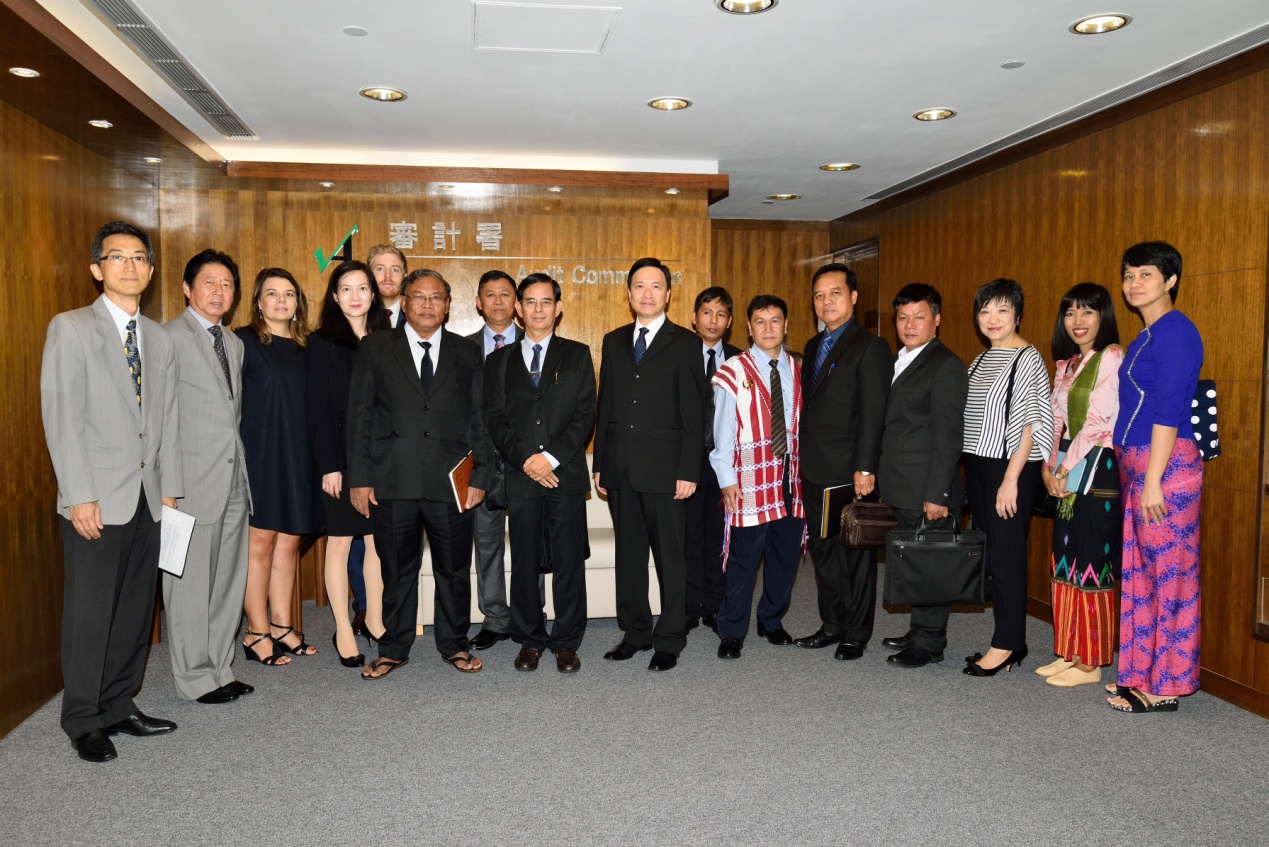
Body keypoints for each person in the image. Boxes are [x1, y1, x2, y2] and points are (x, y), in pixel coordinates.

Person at [41, 221, 182, 762]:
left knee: (133, 610)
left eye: (139, 258)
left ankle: (120, 703)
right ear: (97, 268)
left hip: (149, 496)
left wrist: (171, 489)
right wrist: (79, 493)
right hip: (95, 498)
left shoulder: (159, 337)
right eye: (117, 257)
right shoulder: (71, 328)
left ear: (149, 270)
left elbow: (165, 420)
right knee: (90, 610)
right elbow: (62, 416)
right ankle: (82, 718)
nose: (130, 266)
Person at [349, 269, 490, 678]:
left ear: (448, 305)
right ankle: (393, 647)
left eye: (437, 298)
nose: (428, 305)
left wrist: (479, 477)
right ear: (404, 303)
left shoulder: (467, 352)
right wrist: (360, 477)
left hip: (451, 480)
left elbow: (480, 418)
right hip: (393, 478)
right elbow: (359, 417)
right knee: (397, 568)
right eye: (419, 297)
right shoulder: (375, 348)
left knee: (453, 569)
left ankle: (454, 644)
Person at [594, 257, 708, 672]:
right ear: (628, 294)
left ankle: (670, 637)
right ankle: (636, 632)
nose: (647, 293)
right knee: (629, 556)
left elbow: (696, 413)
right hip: (620, 468)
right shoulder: (613, 340)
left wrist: (689, 470)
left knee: (670, 558)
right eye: (639, 286)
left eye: (655, 286)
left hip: (666, 470)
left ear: (668, 294)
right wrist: (601, 464)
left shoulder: (685, 343)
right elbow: (606, 403)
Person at [1108, 242, 1204, 713]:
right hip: (1141, 468)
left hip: (1166, 471)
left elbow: (1169, 410)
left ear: (1170, 280)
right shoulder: (1145, 336)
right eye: (1128, 275)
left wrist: (1153, 480)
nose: (1134, 284)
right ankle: (1141, 672)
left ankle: (1167, 685)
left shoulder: (1176, 332)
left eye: (1146, 274)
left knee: (1171, 579)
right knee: (1142, 576)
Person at [484, 273, 596, 672]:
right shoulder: (498, 362)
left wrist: (549, 458)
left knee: (568, 561)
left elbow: (585, 415)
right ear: (518, 309)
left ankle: (567, 642)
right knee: (526, 562)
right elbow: (495, 418)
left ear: (558, 307)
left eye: (546, 302)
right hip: (520, 476)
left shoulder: (578, 354)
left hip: (563, 474)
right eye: (529, 302)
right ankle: (529, 639)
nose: (537, 309)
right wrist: (527, 460)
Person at [165, 249, 258, 703]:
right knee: (187, 586)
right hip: (187, 486)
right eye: (209, 282)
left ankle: (219, 667)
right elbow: (159, 419)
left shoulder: (233, 343)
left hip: (233, 480)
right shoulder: (167, 338)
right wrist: (167, 487)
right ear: (187, 288)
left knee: (226, 581)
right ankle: (193, 678)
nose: (219, 292)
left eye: (227, 284)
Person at [794, 263, 891, 660]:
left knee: (855, 553)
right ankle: (831, 623)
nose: (826, 301)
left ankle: (856, 631)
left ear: (853, 297)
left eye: (834, 293)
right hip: (815, 468)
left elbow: (874, 412)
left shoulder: (871, 346)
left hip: (851, 472)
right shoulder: (815, 346)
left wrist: (866, 468)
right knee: (824, 552)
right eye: (819, 295)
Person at [962, 278, 1054, 676]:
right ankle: (1010, 638)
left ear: (1017, 313)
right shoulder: (981, 360)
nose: (992, 319)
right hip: (980, 465)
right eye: (985, 311)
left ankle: (1006, 645)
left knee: (1007, 555)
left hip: (1010, 466)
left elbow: (1030, 424)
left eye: (1002, 310)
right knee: (994, 553)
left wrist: (1011, 480)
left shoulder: (1027, 357)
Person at [876, 284, 969, 668]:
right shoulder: (901, 360)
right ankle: (918, 630)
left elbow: (948, 436)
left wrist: (938, 494)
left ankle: (930, 643)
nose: (909, 325)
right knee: (916, 560)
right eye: (902, 317)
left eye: (919, 317)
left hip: (928, 487)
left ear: (937, 320)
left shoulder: (945, 364)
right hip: (903, 482)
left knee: (931, 565)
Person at [236, 268, 323, 669]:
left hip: (299, 457)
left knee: (289, 544)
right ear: (258, 301)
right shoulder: (243, 343)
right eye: (272, 293)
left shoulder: (310, 347)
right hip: (260, 456)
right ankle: (256, 632)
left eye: (289, 293)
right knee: (260, 545)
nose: (281, 300)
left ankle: (283, 625)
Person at [1037, 283, 1123, 688]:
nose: (1078, 321)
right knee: (1066, 560)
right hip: (1067, 465)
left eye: (1088, 312)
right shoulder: (1068, 363)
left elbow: (1098, 422)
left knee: (1092, 562)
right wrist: (1047, 465)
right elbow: (1055, 420)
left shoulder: (1111, 357)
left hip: (1096, 468)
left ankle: (1092, 663)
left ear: (1103, 316)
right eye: (1070, 312)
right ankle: (1070, 649)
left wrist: (1064, 468)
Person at [710, 295, 804, 660]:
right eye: (760, 321)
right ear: (748, 327)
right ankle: (732, 630)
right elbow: (722, 432)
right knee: (743, 558)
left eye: (775, 320)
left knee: (784, 556)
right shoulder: (734, 371)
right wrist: (726, 479)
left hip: (791, 477)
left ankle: (771, 620)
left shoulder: (797, 368)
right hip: (748, 480)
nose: (768, 328)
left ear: (785, 326)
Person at [308, 260, 388, 667]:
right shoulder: (323, 342)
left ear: (374, 294)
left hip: (380, 459)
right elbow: (319, 411)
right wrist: (329, 465)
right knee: (339, 545)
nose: (355, 296)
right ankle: (343, 628)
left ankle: (374, 618)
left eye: (363, 288)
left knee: (377, 542)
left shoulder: (389, 337)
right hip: (340, 458)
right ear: (335, 296)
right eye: (346, 289)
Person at [466, 269, 522, 651]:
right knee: (486, 545)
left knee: (528, 545)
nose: (498, 301)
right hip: (480, 464)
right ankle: (495, 618)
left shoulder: (536, 345)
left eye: (506, 294)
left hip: (523, 464)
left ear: (516, 302)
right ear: (479, 303)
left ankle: (526, 616)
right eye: (491, 294)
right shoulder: (463, 349)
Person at [685, 286, 740, 632]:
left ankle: (715, 605)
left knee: (720, 537)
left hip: (725, 464)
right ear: (694, 317)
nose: (713, 320)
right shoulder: (679, 354)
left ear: (730, 321)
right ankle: (690, 606)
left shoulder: (739, 360)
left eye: (721, 314)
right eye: (707, 312)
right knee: (688, 537)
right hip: (688, 463)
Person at [368, 243, 407, 329]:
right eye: (380, 269)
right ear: (369, 275)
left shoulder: (416, 316)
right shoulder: (358, 314)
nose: (388, 275)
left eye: (395, 270)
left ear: (404, 277)